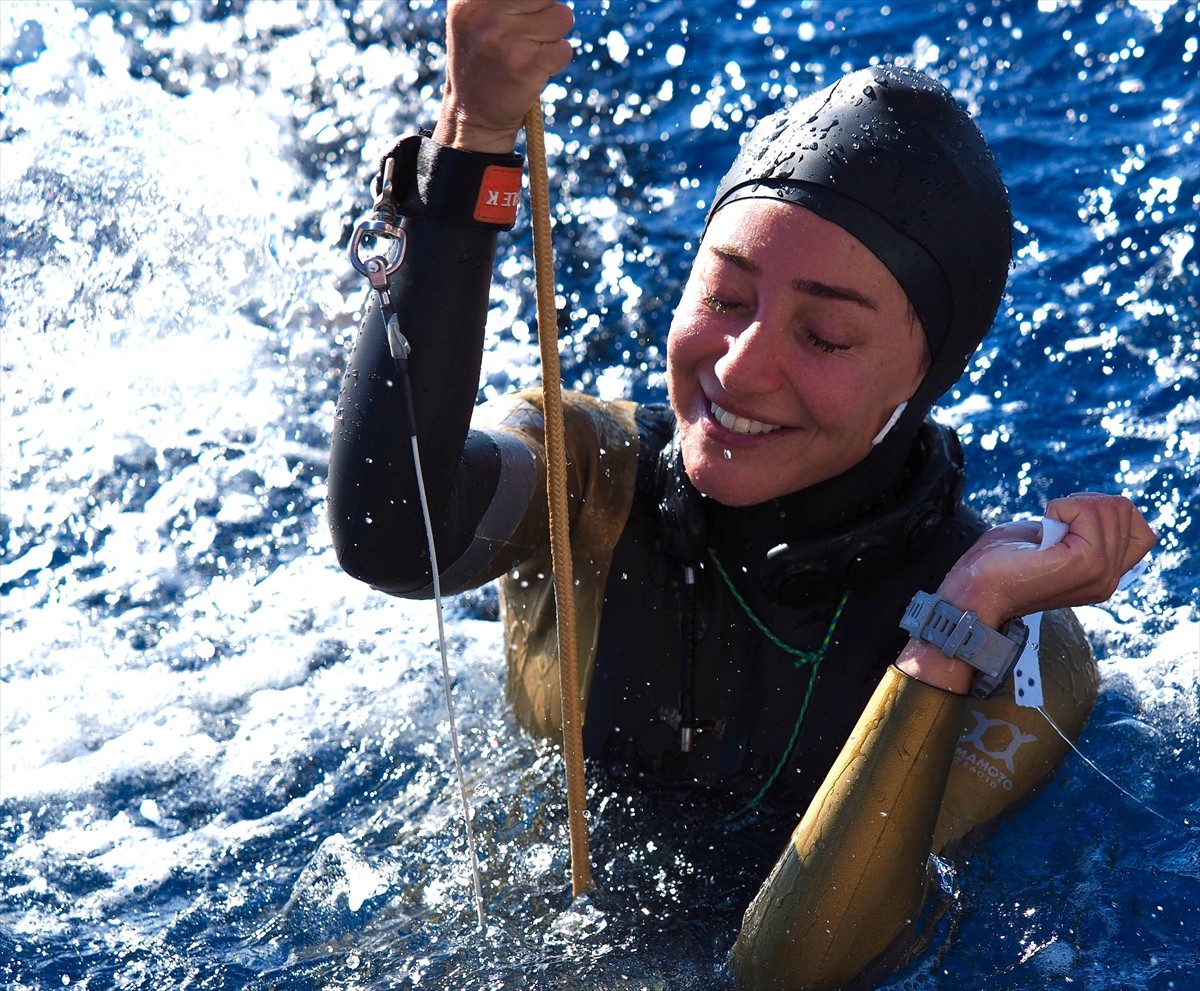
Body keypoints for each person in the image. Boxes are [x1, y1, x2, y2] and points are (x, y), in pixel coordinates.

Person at [326, 2, 1156, 988]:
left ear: (926, 375)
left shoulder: (1013, 641)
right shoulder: (586, 477)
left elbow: (794, 970)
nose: (742, 368)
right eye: (724, 298)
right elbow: (389, 534)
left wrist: (954, 630)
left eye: (826, 336)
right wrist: (473, 140)